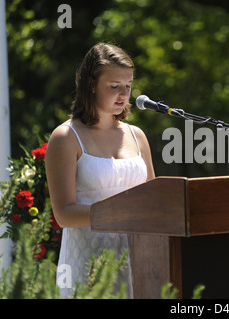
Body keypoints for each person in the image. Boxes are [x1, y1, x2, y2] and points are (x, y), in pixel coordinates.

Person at [45, 42, 155, 298]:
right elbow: (64, 214)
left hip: (141, 258)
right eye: (114, 86)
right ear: (91, 84)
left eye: (128, 86)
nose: (123, 94)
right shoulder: (66, 137)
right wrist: (121, 213)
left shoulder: (137, 135)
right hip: (89, 263)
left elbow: (155, 200)